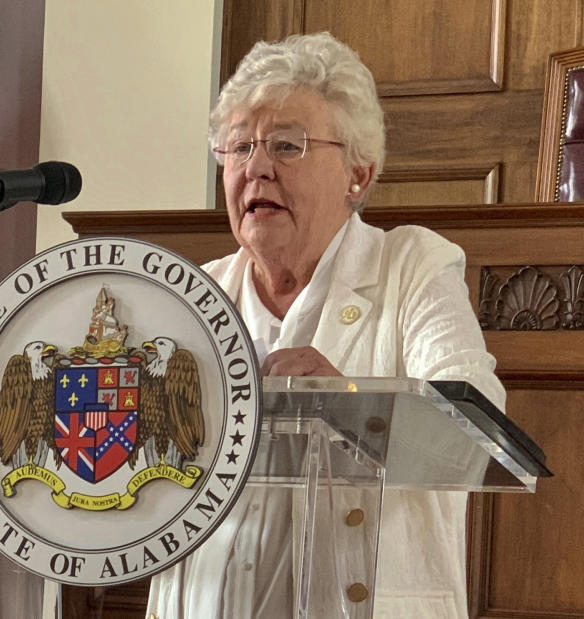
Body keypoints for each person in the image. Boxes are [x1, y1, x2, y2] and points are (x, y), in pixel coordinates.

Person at [146, 32, 505, 619]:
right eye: (238, 148)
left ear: (356, 176)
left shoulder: (413, 268)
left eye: (287, 146)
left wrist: (349, 402)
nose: (256, 167)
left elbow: (477, 432)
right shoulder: (192, 294)